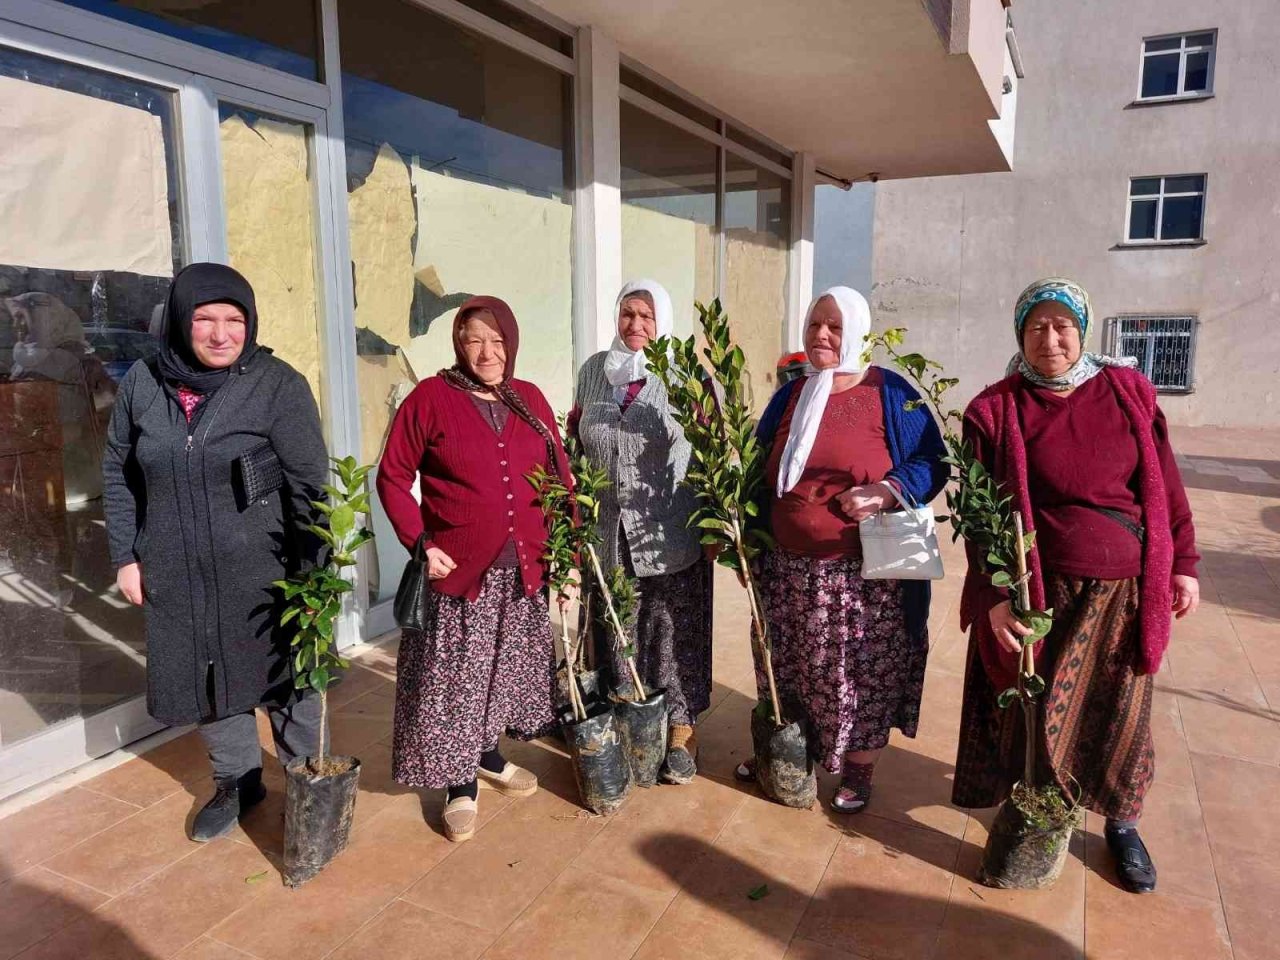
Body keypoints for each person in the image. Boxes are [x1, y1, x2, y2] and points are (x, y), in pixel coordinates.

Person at [952, 277, 1200, 894]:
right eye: (1037, 326)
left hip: (1122, 592)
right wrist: (992, 596)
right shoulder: (995, 409)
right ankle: (1037, 809)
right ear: (1020, 335)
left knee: (1121, 713)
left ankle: (1123, 826)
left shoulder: (1128, 393)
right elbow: (980, 518)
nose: (1051, 338)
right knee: (1036, 708)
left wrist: (1184, 563)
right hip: (1038, 592)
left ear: (1083, 330)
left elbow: (1164, 486)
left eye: (1063, 325)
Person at [102, 262, 329, 842]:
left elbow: (309, 483)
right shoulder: (143, 384)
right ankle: (237, 782)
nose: (221, 333)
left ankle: (308, 778)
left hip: (267, 572)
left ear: (250, 323)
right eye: (205, 319)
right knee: (208, 680)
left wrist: (315, 576)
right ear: (181, 322)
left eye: (234, 319)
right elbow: (119, 471)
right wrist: (126, 555)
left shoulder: (276, 384)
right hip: (175, 571)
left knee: (285, 677)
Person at [744, 286, 947, 812]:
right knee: (792, 666)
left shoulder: (890, 391)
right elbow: (756, 468)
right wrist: (747, 542)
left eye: (834, 326)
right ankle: (791, 752)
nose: (822, 335)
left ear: (857, 329)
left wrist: (886, 490)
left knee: (860, 669)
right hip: (789, 569)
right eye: (814, 325)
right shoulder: (792, 396)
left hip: (863, 576)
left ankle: (859, 769)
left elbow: (933, 462)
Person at [377, 296, 569, 842]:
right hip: (460, 572)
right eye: (473, 340)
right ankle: (459, 783)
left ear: (511, 342)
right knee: (458, 679)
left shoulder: (528, 399)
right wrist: (419, 542)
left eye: (497, 340)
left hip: (524, 568)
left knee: (501, 673)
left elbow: (559, 475)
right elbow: (392, 477)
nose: (487, 352)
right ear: (458, 344)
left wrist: (565, 550)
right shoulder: (430, 398)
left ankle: (486, 752)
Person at [570, 279, 714, 784]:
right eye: (628, 314)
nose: (635, 326)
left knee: (672, 633)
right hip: (606, 530)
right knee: (619, 629)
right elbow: (575, 444)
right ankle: (629, 722)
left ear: (664, 323)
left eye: (647, 317)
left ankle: (680, 728)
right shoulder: (593, 372)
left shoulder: (685, 375)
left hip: (668, 530)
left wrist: (716, 522)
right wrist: (573, 515)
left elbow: (713, 453)